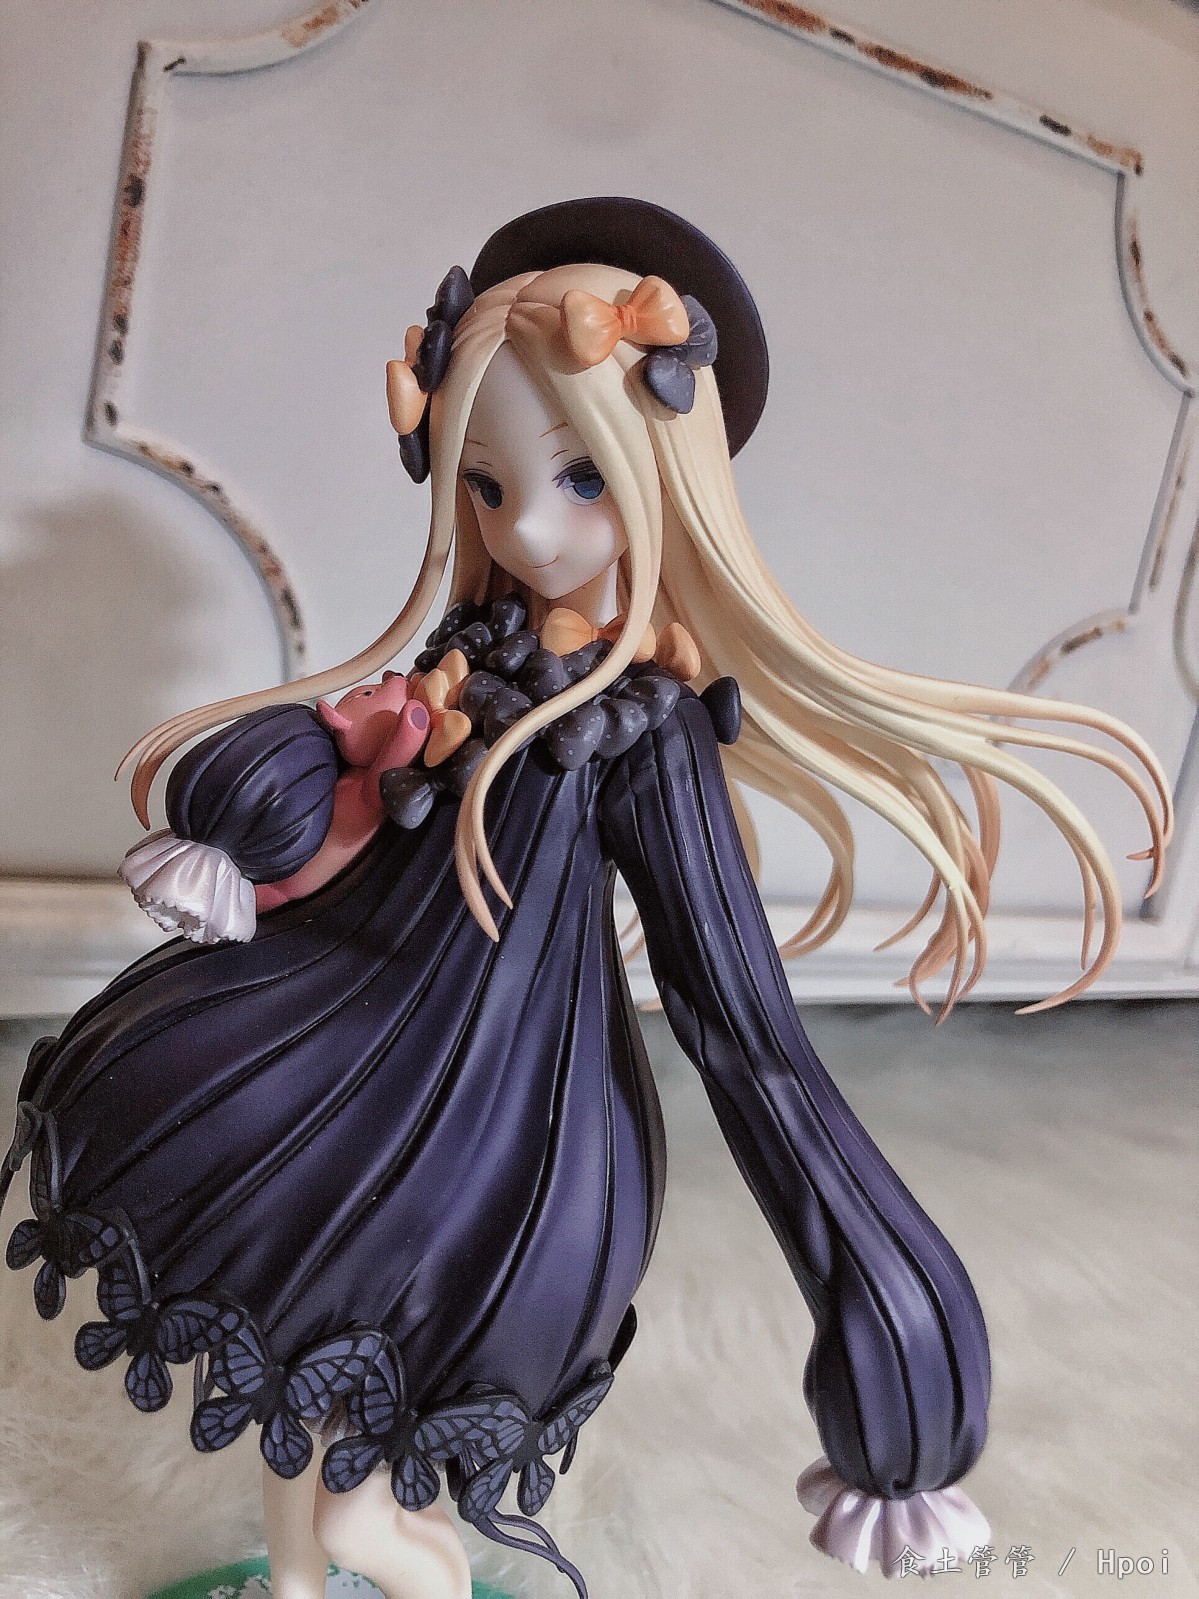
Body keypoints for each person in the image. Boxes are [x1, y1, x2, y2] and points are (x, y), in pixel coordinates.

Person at [1, 199, 1170, 1599]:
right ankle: (297, 1586)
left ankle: (369, 1568)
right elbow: (364, 803)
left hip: (498, 1121)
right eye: (488, 486)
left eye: (580, 479)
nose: (532, 529)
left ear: (662, 479)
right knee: (299, 1413)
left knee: (371, 1468)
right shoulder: (471, 652)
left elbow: (745, 1037)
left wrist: (884, 1317)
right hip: (347, 1041)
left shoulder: (645, 732)